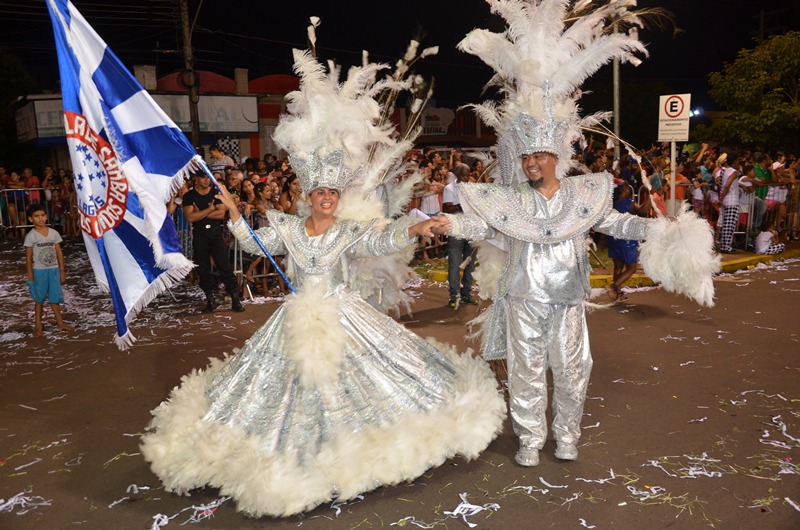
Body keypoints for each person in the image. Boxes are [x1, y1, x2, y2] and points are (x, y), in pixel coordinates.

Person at [141, 41, 505, 517]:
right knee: (281, 391)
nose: (327, 199)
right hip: (295, 319)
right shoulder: (290, 228)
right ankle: (295, 460)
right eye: (320, 193)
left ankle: (353, 456)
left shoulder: (349, 229)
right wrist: (233, 216)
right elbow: (255, 244)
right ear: (308, 195)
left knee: (361, 383)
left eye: (333, 192)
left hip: (343, 316)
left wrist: (413, 225)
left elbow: (377, 242)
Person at [440, 0, 718, 468]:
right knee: (526, 373)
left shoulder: (583, 196)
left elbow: (614, 222)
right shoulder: (514, 199)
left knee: (572, 370)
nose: (532, 163)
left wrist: (657, 225)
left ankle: (567, 435)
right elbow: (486, 226)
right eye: (526, 158)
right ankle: (530, 438)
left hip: (567, 297)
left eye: (539, 156)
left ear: (556, 156)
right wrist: (448, 223)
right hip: (524, 298)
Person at [182, 172, 244, 313]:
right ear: (196, 179)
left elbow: (220, 214)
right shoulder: (189, 196)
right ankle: (211, 300)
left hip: (216, 233)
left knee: (224, 266)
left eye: (208, 178)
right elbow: (190, 217)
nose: (206, 180)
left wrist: (202, 212)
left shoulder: (216, 193)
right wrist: (210, 209)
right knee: (202, 268)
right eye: (203, 177)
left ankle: (235, 300)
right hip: (199, 235)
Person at [24, 203, 73, 337]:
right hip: (39, 271)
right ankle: (38, 326)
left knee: (54, 298)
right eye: (36, 216)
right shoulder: (31, 236)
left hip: (54, 270)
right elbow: (28, 258)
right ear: (30, 219)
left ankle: (60, 323)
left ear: (46, 216)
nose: (40, 219)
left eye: (43, 215)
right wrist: (30, 274)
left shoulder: (53, 233)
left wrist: (62, 270)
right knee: (39, 300)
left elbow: (59, 253)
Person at [605, 184, 649, 302]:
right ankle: (614, 286)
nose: (629, 187)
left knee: (618, 267)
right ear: (624, 190)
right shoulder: (628, 203)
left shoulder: (612, 204)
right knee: (632, 268)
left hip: (613, 238)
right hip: (626, 240)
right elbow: (643, 211)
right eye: (626, 186)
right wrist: (650, 195)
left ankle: (617, 294)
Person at [442, 162, 477, 308]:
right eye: (463, 175)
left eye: (468, 174)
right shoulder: (449, 188)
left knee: (470, 264)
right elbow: (446, 207)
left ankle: (466, 294)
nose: (466, 177)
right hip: (456, 231)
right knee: (455, 265)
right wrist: (462, 205)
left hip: (471, 230)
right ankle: (453, 295)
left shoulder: (473, 188)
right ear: (456, 174)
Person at [716, 152, 741, 253]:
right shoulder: (734, 172)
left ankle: (724, 246)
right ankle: (726, 247)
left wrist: (721, 199)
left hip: (725, 200)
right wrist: (721, 199)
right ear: (734, 162)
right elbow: (727, 185)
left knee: (726, 224)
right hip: (732, 200)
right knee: (729, 225)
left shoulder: (723, 171)